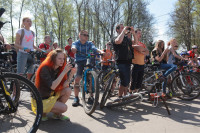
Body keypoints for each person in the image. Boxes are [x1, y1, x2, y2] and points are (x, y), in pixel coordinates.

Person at [32, 49, 72, 121]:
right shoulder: (45, 68)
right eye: (59, 58)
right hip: (41, 99)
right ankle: (42, 113)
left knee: (68, 90)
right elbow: (53, 86)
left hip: (50, 95)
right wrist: (64, 72)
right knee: (64, 108)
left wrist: (72, 73)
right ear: (53, 59)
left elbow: (65, 85)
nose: (62, 61)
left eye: (63, 59)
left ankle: (56, 114)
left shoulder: (58, 68)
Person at [71, 30, 104, 107]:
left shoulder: (89, 43)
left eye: (87, 35)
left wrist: (101, 52)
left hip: (88, 60)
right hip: (79, 62)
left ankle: (91, 97)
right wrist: (73, 49)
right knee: (77, 79)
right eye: (84, 35)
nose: (86, 36)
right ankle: (76, 98)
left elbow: (94, 48)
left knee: (91, 78)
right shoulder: (76, 43)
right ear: (80, 36)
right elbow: (73, 47)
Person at [111, 24, 135, 99]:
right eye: (121, 28)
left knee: (126, 81)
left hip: (128, 61)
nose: (124, 28)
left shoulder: (127, 39)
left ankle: (123, 96)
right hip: (120, 62)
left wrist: (134, 33)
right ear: (117, 30)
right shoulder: (115, 37)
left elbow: (135, 43)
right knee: (124, 81)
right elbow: (118, 41)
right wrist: (123, 31)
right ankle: (120, 97)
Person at [131, 29, 149, 93]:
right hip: (135, 64)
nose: (140, 35)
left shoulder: (142, 44)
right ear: (135, 34)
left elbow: (147, 52)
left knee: (139, 81)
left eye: (140, 33)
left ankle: (136, 93)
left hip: (142, 64)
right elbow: (138, 48)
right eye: (139, 33)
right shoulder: (132, 42)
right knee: (134, 80)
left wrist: (141, 50)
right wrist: (141, 50)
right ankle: (130, 93)